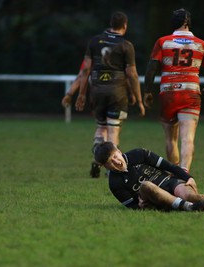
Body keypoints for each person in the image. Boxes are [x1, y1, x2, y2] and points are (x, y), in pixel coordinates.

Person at [143, 8, 204, 173]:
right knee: (188, 138)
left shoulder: (163, 41)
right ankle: (184, 173)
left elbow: (151, 69)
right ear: (188, 23)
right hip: (190, 93)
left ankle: (175, 173)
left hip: (168, 93)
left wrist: (147, 91)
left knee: (171, 139)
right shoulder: (201, 44)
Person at [93, 141, 204, 214]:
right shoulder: (114, 184)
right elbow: (133, 207)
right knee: (146, 186)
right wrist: (142, 205)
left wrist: (189, 177)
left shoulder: (139, 153)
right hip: (155, 199)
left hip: (170, 183)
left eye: (115, 156)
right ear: (105, 167)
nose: (116, 161)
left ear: (118, 150)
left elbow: (168, 166)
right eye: (110, 162)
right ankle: (189, 208)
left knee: (192, 196)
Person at [75, 11, 145, 178]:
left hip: (97, 91)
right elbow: (132, 74)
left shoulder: (94, 41)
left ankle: (97, 158)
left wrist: (81, 94)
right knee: (113, 131)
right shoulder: (126, 45)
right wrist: (138, 98)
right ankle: (110, 169)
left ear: (111, 24)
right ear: (125, 25)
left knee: (101, 127)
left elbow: (85, 70)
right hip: (117, 92)